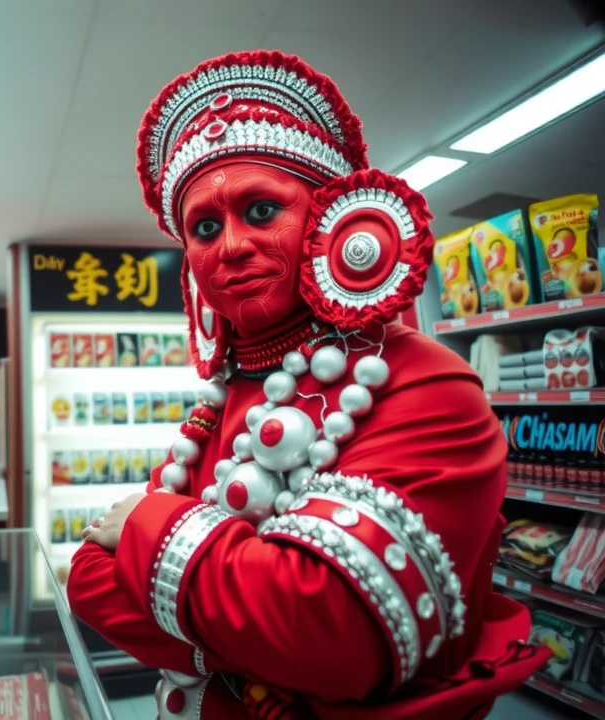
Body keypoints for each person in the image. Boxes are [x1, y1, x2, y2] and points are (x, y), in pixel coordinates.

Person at [66, 50, 548, 719]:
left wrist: (149, 526)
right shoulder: (228, 396)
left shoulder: (429, 384)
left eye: (260, 211)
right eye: (205, 227)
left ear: (334, 221)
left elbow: (333, 635)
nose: (230, 245)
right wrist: (247, 637)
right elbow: (88, 579)